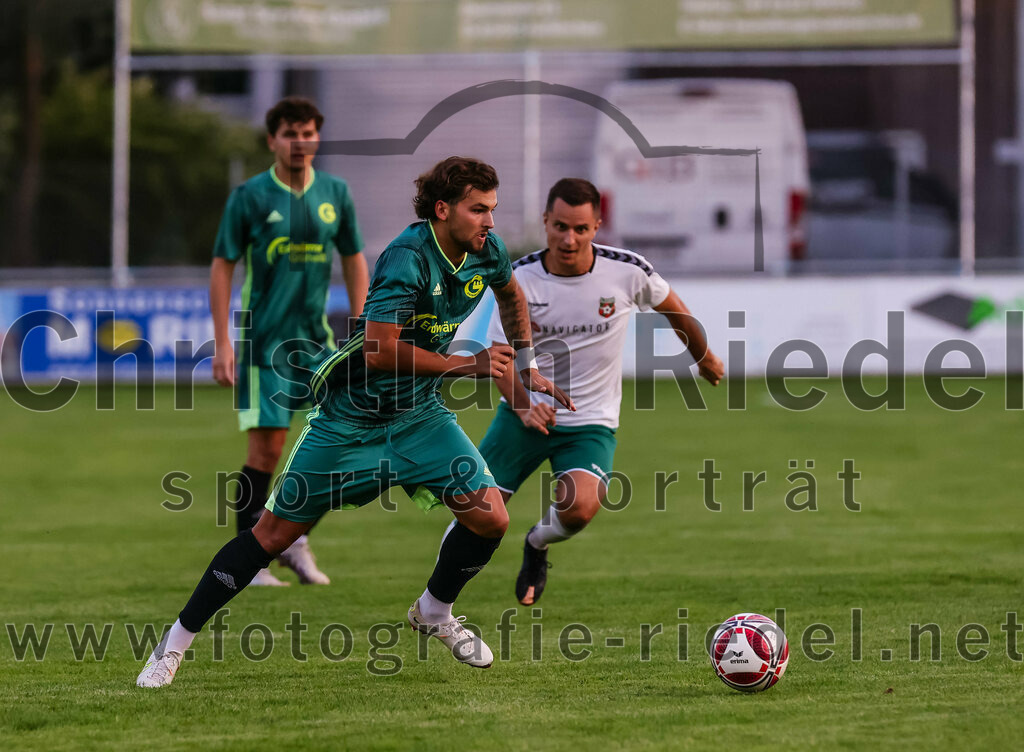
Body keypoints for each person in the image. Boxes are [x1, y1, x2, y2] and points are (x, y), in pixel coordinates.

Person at [137, 156, 574, 688]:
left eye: (492, 210)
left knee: (490, 517)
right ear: (443, 209)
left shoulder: (488, 251)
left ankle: (434, 612)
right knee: (270, 535)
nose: (488, 221)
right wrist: (467, 363)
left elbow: (511, 296)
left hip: (419, 416)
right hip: (351, 421)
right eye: (477, 209)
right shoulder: (407, 258)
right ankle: (173, 644)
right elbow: (377, 350)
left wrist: (526, 366)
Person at [478, 178, 724, 606]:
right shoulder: (518, 279)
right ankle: (436, 605)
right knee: (477, 515)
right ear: (546, 222)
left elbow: (677, 312)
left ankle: (536, 544)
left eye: (580, 229)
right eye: (559, 227)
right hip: (525, 414)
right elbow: (499, 356)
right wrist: (523, 408)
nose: (568, 239)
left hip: (590, 420)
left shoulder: (628, 271)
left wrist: (703, 357)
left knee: (579, 509)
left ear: (597, 226)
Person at [209, 96, 369, 587]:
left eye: (308, 132)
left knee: (341, 446)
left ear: (317, 137)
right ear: (272, 139)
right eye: (290, 133)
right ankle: (249, 561)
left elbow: (354, 257)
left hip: (318, 345)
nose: (300, 142)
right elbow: (222, 267)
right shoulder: (251, 196)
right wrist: (222, 343)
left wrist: (363, 326)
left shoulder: (335, 192)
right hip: (264, 345)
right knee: (267, 453)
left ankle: (294, 540)